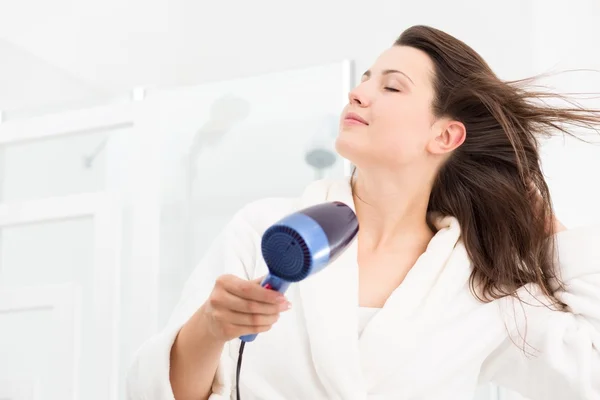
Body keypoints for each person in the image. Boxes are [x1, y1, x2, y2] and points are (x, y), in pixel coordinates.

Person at [126, 25, 600, 400]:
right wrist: (210, 327)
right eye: (364, 79)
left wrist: (546, 228)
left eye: (392, 88)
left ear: (445, 137)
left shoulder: (479, 284)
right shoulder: (267, 230)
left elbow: (590, 374)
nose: (359, 93)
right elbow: (160, 394)